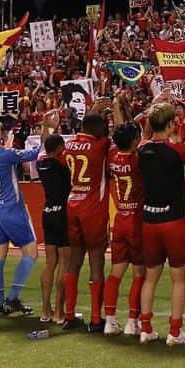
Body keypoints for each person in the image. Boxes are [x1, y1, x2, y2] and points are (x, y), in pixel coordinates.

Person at [0, 111, 58, 315]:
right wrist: (48, 128)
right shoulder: (7, 154)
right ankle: (13, 298)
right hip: (13, 210)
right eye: (0, 129)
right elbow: (40, 151)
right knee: (31, 253)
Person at [136, 100, 185, 346]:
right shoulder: (178, 151)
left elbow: (146, 136)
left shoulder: (141, 149)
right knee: (178, 279)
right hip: (174, 220)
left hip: (149, 220)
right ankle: (175, 331)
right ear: (171, 124)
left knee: (150, 277)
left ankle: (146, 328)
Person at [62, 108, 113, 332]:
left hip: (72, 203)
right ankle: (95, 318)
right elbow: (114, 137)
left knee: (74, 259)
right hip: (93, 208)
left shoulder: (70, 144)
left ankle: (69, 315)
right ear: (98, 129)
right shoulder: (101, 144)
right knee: (96, 260)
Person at [105, 97, 145, 336]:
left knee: (116, 272)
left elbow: (118, 135)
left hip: (119, 218)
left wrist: (114, 109)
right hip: (137, 222)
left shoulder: (113, 155)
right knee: (139, 273)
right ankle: (132, 321)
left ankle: (110, 320)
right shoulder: (138, 159)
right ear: (136, 141)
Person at [36, 132, 82, 329]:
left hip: (47, 212)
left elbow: (43, 146)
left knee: (49, 263)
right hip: (63, 213)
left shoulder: (41, 163)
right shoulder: (64, 164)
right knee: (64, 262)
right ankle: (59, 312)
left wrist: (48, 128)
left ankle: (45, 312)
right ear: (59, 149)